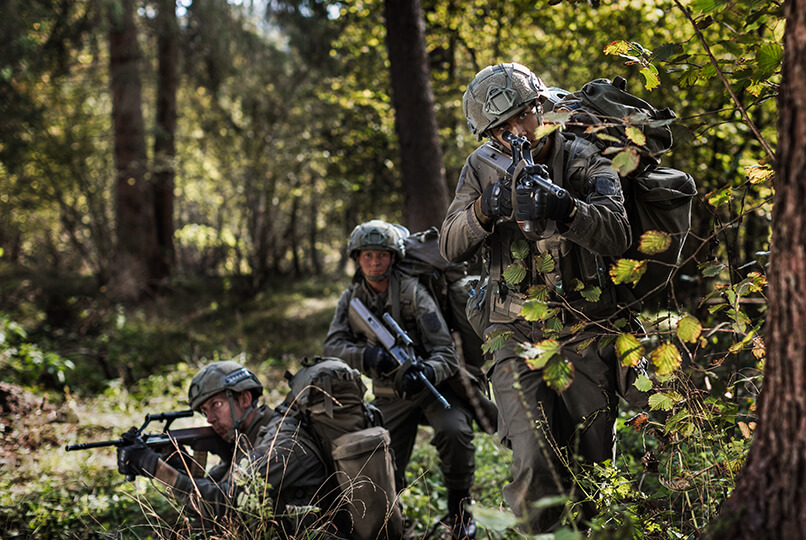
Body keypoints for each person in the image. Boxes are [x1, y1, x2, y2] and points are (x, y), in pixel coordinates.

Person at [439, 62, 632, 533]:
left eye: (516, 119)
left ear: (539, 108)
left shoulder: (583, 156)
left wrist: (567, 209)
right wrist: (486, 210)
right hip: (512, 330)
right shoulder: (480, 167)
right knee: (532, 457)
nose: (509, 134)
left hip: (585, 327)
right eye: (496, 129)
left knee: (592, 462)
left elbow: (619, 235)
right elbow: (448, 243)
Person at [322, 220, 478, 539]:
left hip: (433, 388)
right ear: (357, 258)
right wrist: (369, 357)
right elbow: (332, 345)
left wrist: (428, 373)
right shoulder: (352, 298)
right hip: (389, 394)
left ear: (393, 257)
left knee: (456, 433)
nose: (375, 262)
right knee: (377, 457)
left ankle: (461, 513)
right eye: (368, 256)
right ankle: (387, 521)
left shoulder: (413, 293)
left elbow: (446, 353)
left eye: (382, 255)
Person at [115, 361, 343, 537]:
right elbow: (206, 502)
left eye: (216, 405)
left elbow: (226, 504)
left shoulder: (281, 443)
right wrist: (178, 467)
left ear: (245, 399)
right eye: (205, 411)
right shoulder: (247, 439)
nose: (210, 419)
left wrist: (156, 469)